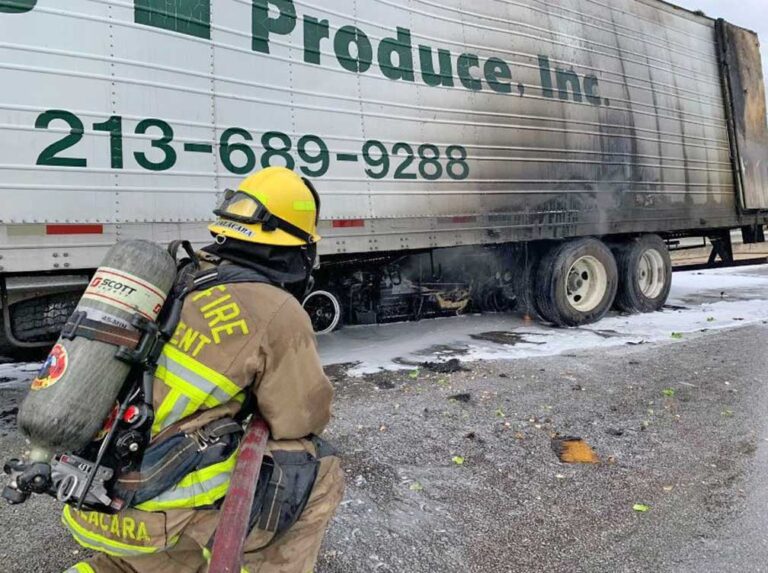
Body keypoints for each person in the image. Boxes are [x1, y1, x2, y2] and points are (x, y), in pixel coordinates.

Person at [62, 167, 344, 573]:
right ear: (297, 247)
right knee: (319, 471)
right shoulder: (275, 309)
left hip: (86, 496)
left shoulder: (178, 276)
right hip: (155, 512)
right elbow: (300, 418)